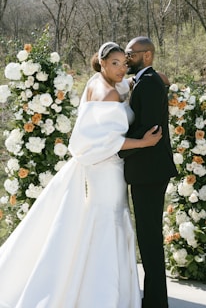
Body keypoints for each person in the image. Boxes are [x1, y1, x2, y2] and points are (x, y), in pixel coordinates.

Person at [0, 42, 162, 308]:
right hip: (106, 167)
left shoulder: (95, 83)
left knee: (97, 220)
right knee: (108, 221)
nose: (122, 69)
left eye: (124, 63)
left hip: (98, 169)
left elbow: (119, 94)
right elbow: (104, 142)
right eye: (115, 63)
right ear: (102, 62)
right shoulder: (108, 93)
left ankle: (85, 284)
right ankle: (102, 296)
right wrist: (141, 143)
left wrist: (146, 80)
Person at [119, 36, 178, 308]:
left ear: (148, 55)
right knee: (148, 235)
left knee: (150, 236)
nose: (128, 58)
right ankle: (154, 298)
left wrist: (116, 147)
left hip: (150, 172)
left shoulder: (150, 83)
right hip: (146, 171)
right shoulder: (146, 80)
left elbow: (150, 129)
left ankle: (156, 302)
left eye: (131, 54)